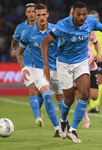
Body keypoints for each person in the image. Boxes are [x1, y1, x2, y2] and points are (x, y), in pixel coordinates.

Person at [41, 2, 102, 143]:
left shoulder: (90, 21)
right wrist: (46, 66)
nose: (81, 17)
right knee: (69, 99)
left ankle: (73, 130)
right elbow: (44, 43)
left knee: (84, 94)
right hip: (64, 64)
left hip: (81, 62)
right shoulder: (62, 25)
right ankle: (63, 120)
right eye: (78, 14)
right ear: (72, 14)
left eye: (84, 14)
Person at [16, 3, 67, 137]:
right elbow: (19, 52)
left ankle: (64, 123)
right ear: (35, 16)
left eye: (44, 14)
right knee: (48, 96)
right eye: (38, 15)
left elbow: (64, 47)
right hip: (38, 70)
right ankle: (57, 129)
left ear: (48, 15)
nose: (41, 17)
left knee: (61, 98)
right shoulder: (28, 32)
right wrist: (23, 69)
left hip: (56, 69)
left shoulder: (56, 30)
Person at [11, 3, 44, 127]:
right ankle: (37, 118)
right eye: (28, 12)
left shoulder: (42, 26)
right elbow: (14, 40)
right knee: (32, 89)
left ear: (36, 13)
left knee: (41, 92)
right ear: (26, 13)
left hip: (40, 63)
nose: (31, 14)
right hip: (27, 62)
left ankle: (39, 108)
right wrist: (13, 50)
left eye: (33, 12)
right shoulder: (21, 27)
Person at [69, 7, 102, 128]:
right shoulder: (67, 29)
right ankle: (86, 119)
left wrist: (98, 54)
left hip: (91, 65)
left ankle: (84, 103)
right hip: (77, 66)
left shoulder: (88, 28)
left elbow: (95, 42)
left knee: (93, 96)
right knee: (80, 94)